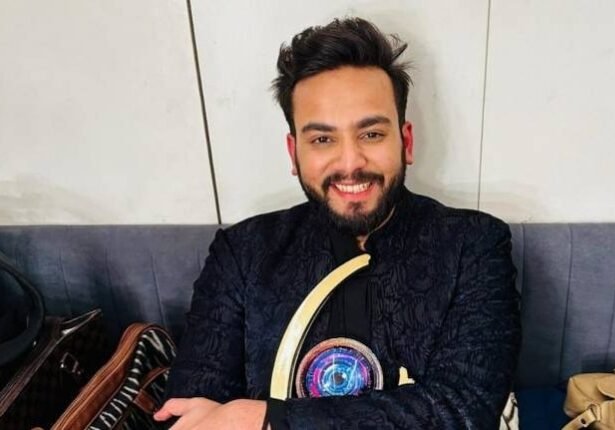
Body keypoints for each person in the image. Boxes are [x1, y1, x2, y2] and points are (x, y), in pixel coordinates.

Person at [154, 17, 520, 429]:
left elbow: (464, 409)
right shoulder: (242, 252)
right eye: (322, 139)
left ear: (406, 142)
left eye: (371, 134)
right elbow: (191, 412)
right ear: (294, 153)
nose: (350, 163)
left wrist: (264, 419)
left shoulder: (473, 243)